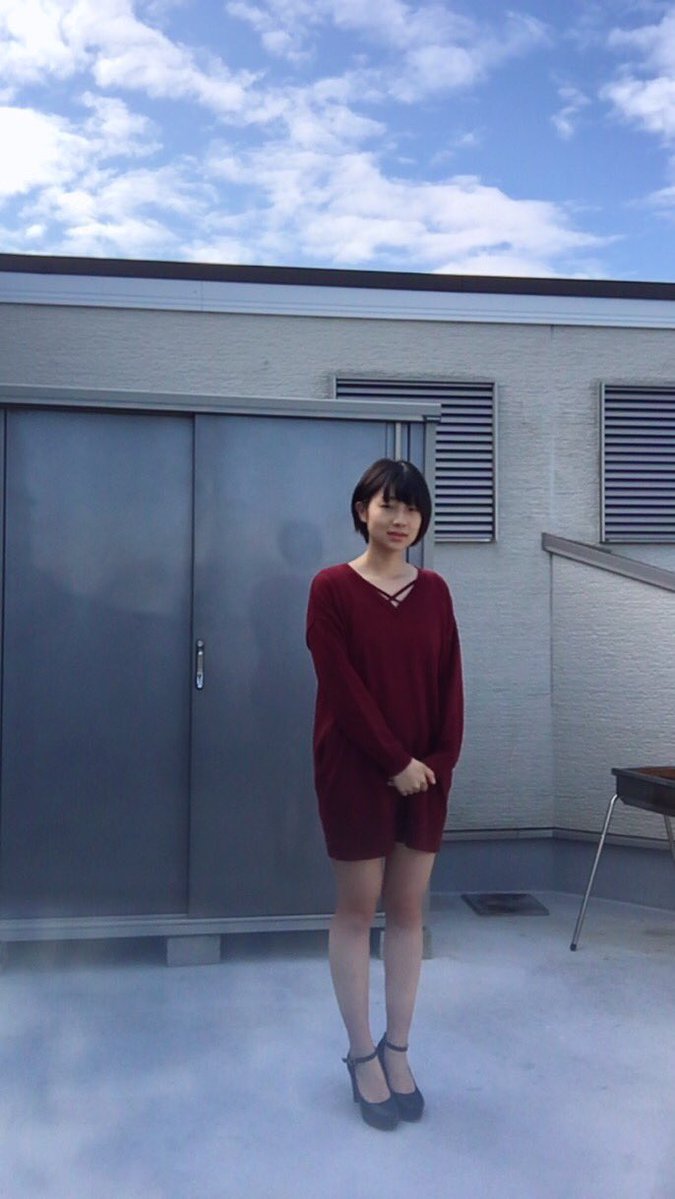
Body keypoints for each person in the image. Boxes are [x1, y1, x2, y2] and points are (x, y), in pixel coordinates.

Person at [305, 458, 464, 1131]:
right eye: (388, 505)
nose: (400, 519)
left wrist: (436, 763)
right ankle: (361, 1052)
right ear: (361, 510)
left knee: (406, 911)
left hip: (423, 776)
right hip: (355, 769)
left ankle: (398, 1050)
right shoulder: (330, 588)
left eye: (412, 508)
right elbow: (340, 687)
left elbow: (450, 683)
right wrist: (393, 760)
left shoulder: (435, 591)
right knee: (357, 908)